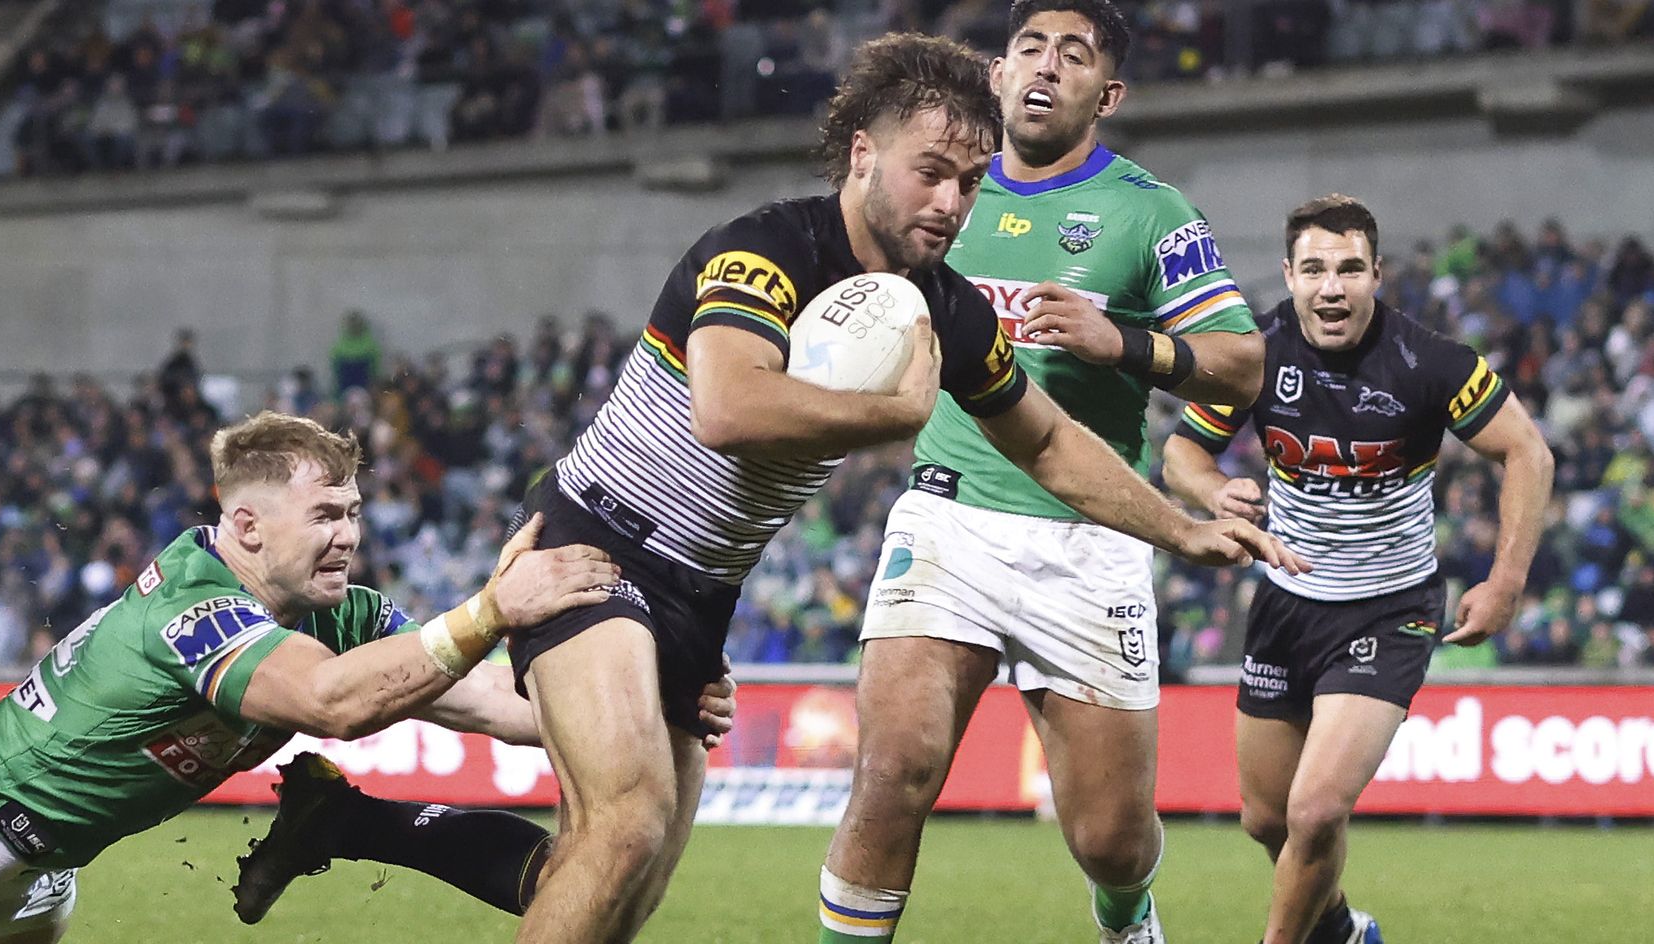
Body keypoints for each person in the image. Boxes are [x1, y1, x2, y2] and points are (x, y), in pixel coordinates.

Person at [498, 31, 1303, 944]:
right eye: (931, 173)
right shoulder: (763, 251)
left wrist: (1179, 530)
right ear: (862, 153)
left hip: (700, 595)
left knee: (631, 883)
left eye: (969, 180)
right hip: (597, 546)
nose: (953, 201)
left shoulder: (946, 304)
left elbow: (1044, 442)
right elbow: (728, 407)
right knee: (630, 824)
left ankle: (381, 829)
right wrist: (896, 413)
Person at [819, 4, 1264, 943]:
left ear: (1107, 94)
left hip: (1091, 535)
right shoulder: (944, 195)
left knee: (1109, 839)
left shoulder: (1152, 213)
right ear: (996, 70)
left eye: (1073, 55)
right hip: (948, 520)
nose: (1045, 67)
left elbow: (1241, 361)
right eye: (1030, 47)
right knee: (893, 770)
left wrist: (1129, 345)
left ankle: (1126, 912)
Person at [0, 410, 626, 944]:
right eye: (323, 515)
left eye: (352, 512)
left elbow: (492, 702)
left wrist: (656, 701)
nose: (347, 536)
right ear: (249, 527)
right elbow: (329, 702)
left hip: (39, 875)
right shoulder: (191, 608)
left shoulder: (342, 614)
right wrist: (490, 609)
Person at [1162, 195, 1553, 944]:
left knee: (1315, 812)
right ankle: (1342, 932)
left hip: (1388, 607)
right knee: (1267, 820)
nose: (1331, 288)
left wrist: (1505, 582)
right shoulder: (1258, 351)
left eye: (1348, 269)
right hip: (1285, 601)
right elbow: (1182, 452)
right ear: (1289, 274)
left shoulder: (1429, 363)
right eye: (1313, 269)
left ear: (1377, 274)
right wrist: (1215, 491)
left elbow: (1527, 451)